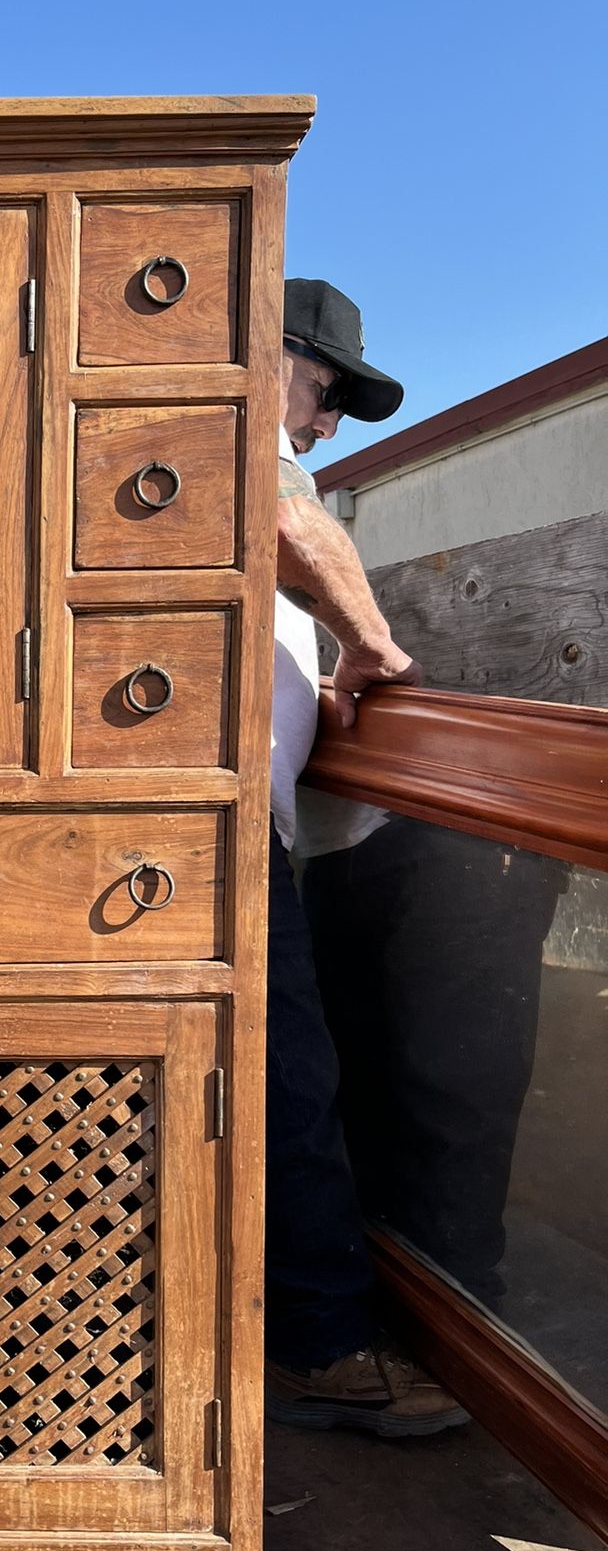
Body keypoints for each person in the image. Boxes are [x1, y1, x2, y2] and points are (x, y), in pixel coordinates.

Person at [264, 279, 469, 1435]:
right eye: (327, 387)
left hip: (236, 819)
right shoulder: (242, 412)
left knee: (284, 1073)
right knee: (292, 1080)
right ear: (273, 352)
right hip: (216, 828)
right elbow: (291, 527)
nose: (324, 420)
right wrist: (375, 647)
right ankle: (322, 1342)